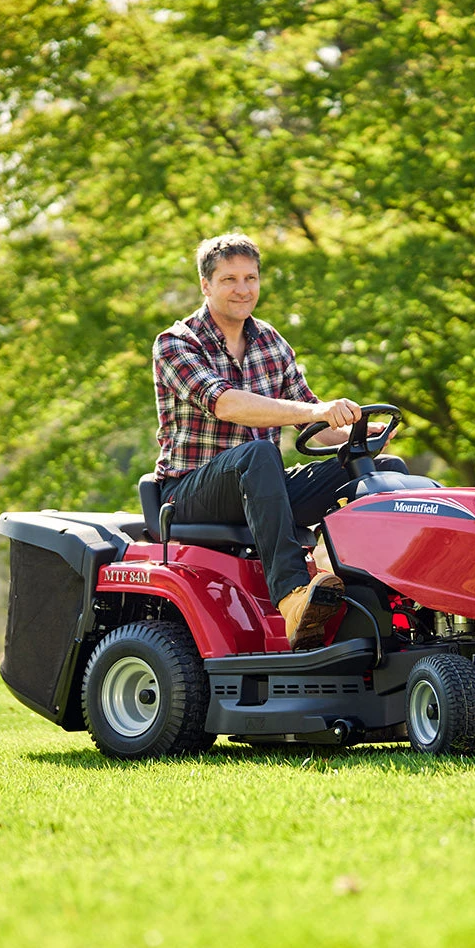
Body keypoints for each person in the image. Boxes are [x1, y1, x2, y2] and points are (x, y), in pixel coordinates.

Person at [151, 233, 406, 649]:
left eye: (250, 278)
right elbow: (228, 404)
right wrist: (316, 411)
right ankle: (291, 598)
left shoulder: (270, 341)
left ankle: (385, 594)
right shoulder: (177, 343)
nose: (242, 289)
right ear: (206, 285)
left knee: (379, 470)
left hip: (260, 483)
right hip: (189, 491)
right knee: (259, 454)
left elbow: (312, 424)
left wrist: (359, 432)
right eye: (229, 279)